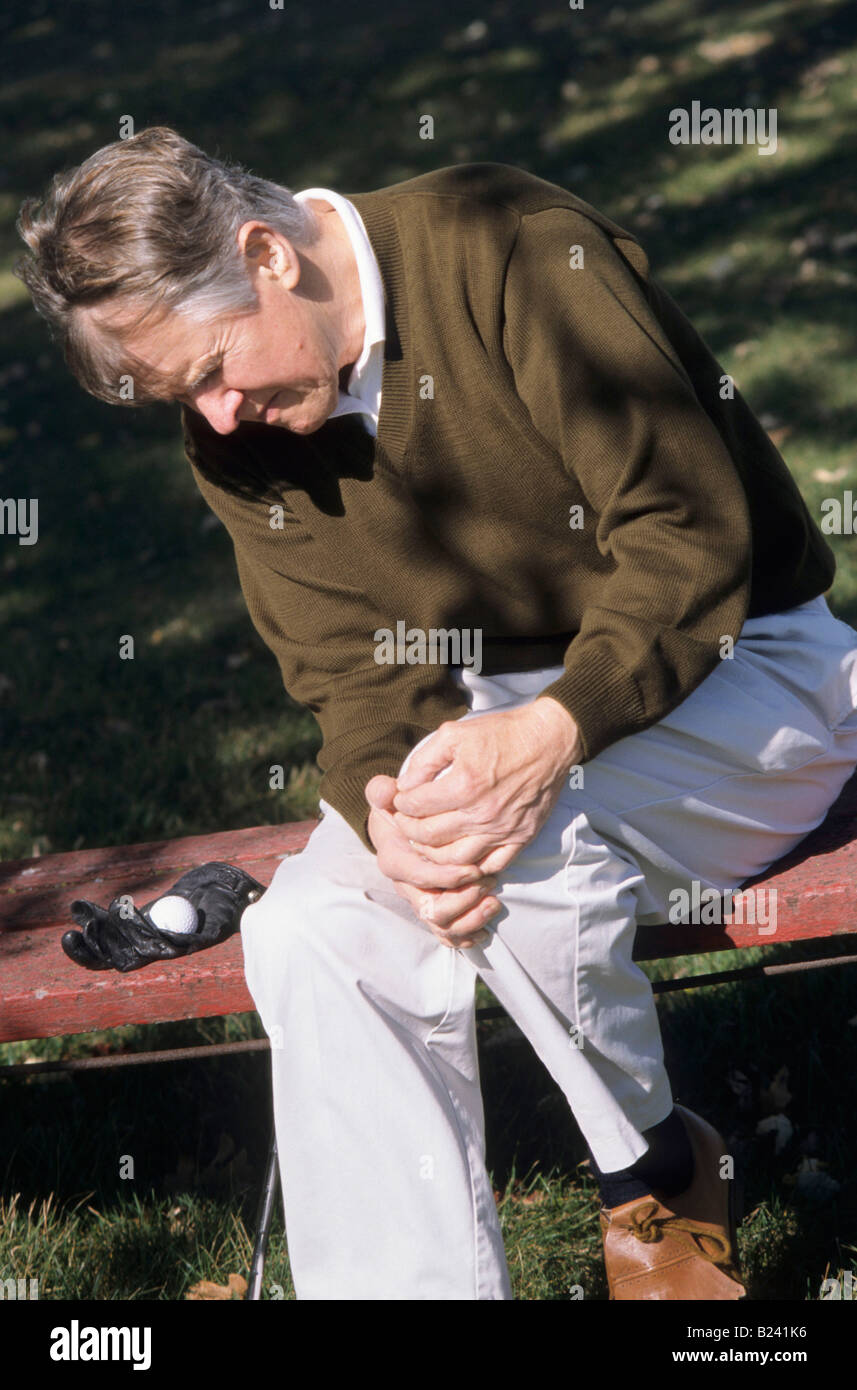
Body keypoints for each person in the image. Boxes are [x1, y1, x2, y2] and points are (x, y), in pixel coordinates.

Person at [16, 126, 857, 1301]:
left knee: (513, 836)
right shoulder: (242, 434)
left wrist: (557, 728)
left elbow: (687, 541)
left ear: (267, 254)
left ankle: (655, 1182)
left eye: (211, 368)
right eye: (178, 396)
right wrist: (383, 800)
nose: (212, 418)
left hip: (749, 674)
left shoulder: (511, 252)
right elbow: (347, 671)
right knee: (307, 930)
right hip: (493, 717)